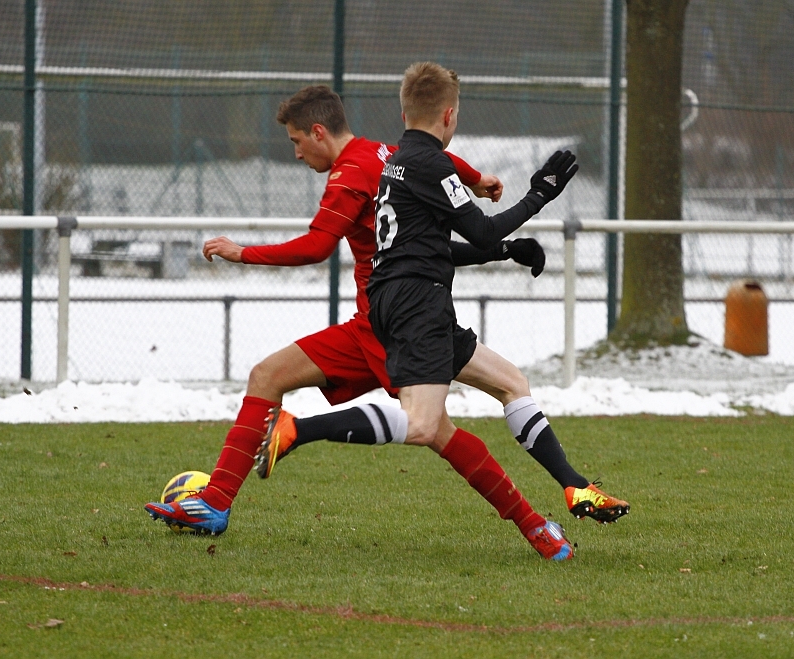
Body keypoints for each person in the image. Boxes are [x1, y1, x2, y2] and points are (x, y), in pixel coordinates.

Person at [145, 84, 574, 560]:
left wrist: (241, 252)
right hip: (384, 318)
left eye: (295, 141)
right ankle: (216, 502)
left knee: (433, 429)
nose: (296, 154)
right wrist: (476, 181)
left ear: (318, 131)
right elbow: (438, 166)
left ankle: (538, 522)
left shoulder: (349, 176)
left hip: (387, 322)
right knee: (272, 377)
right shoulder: (386, 152)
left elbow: (315, 247)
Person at [254, 64, 628, 557]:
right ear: (449, 116)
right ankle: (297, 429)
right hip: (417, 305)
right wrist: (540, 194)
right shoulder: (432, 165)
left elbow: (436, 247)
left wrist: (507, 250)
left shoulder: (397, 163)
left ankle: (574, 485)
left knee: (511, 383)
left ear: (404, 111)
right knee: (424, 425)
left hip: (402, 298)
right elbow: (482, 230)